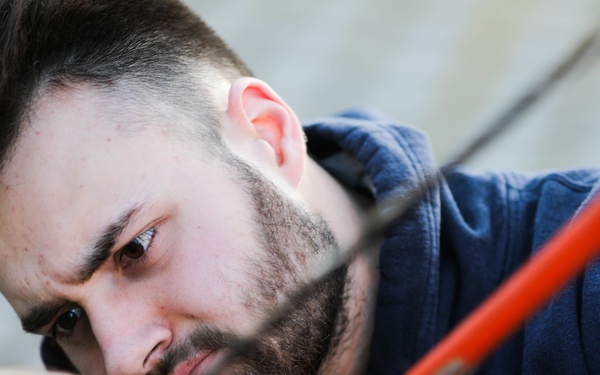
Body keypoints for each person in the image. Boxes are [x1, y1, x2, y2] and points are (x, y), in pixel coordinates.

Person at [1, 0, 600, 374]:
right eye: (66, 323)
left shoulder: (579, 297)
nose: (124, 358)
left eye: (137, 248)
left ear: (270, 135)